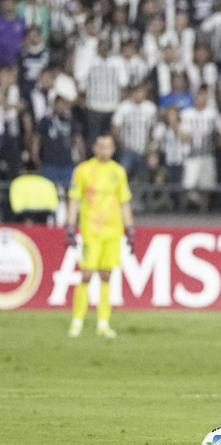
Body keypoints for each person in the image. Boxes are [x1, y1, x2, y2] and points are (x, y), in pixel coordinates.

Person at [66, 134, 135, 339]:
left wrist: (130, 229)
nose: (105, 150)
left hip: (113, 230)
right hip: (91, 230)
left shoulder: (118, 172)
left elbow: (124, 201)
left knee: (106, 275)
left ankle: (103, 323)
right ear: (95, 148)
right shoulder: (83, 170)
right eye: (102, 146)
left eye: (109, 147)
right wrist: (70, 226)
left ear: (113, 149)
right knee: (86, 274)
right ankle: (77, 321)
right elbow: (74, 200)